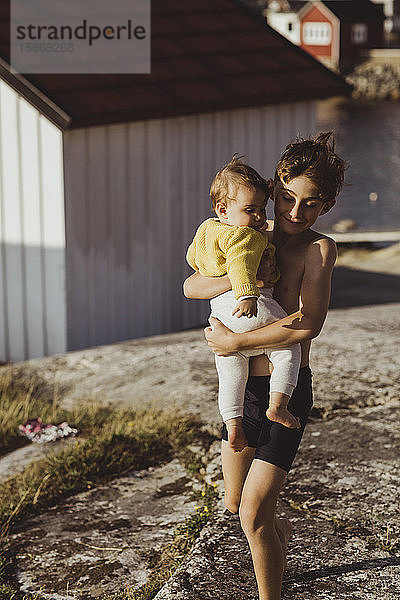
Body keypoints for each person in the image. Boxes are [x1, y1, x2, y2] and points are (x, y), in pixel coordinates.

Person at [183, 132, 346, 600]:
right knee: (235, 504)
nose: (296, 213)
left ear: (327, 206)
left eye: (311, 204)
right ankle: (280, 534)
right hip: (242, 395)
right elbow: (191, 287)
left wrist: (236, 340)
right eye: (289, 198)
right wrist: (239, 280)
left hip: (285, 391)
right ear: (275, 188)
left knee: (253, 514)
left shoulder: (320, 250)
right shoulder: (251, 234)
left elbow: (306, 325)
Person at [186, 156, 302, 454]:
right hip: (252, 310)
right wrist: (247, 290)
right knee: (289, 351)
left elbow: (192, 265)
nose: (259, 217)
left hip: (224, 319)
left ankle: (233, 424)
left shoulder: (208, 232)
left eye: (262, 209)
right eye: (251, 210)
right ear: (223, 210)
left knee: (230, 375)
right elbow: (239, 264)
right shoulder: (245, 235)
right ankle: (279, 405)